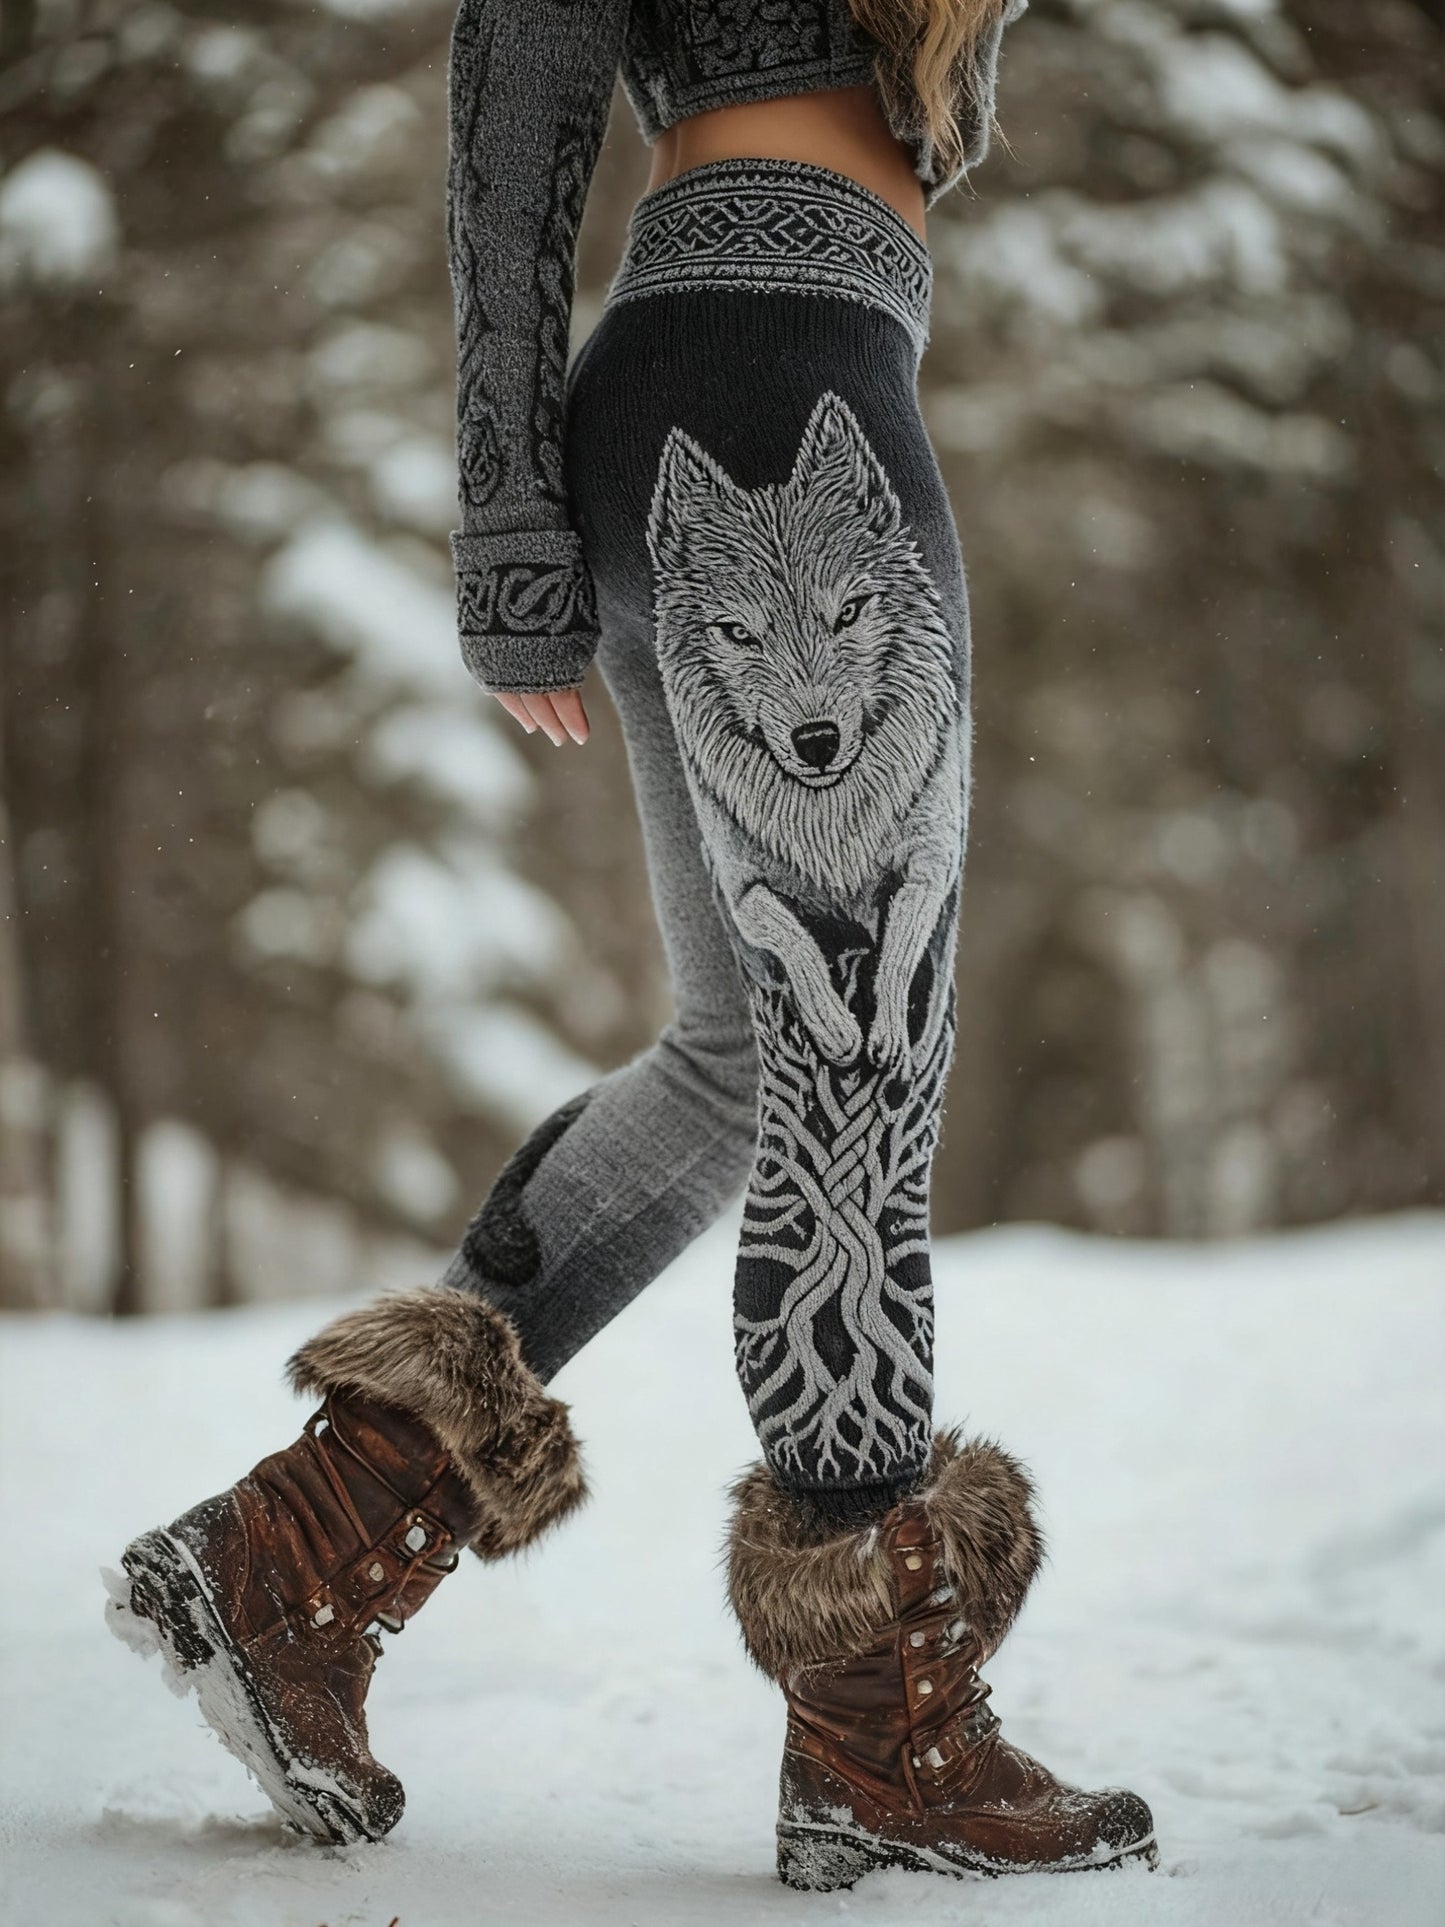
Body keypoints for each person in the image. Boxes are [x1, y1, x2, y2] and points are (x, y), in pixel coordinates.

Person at [105, 0, 1157, 1889]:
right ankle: (879, 1731)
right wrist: (503, 525)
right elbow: (518, 89)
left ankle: (293, 1549)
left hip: (755, 370)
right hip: (775, 395)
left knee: (753, 1060)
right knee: (858, 1040)